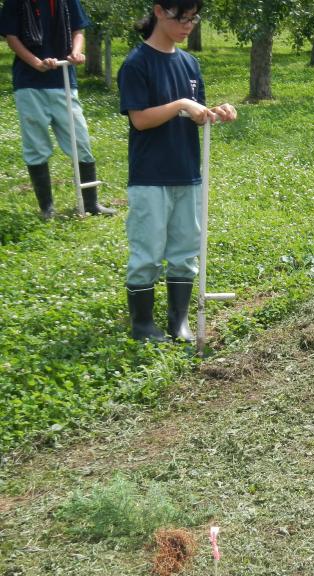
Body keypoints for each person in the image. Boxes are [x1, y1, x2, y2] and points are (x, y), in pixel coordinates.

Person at [117, 0, 236, 342]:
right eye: (181, 18)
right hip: (150, 177)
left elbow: (194, 115)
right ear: (158, 11)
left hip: (187, 172)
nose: (189, 25)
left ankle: (178, 321)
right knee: (148, 251)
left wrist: (213, 112)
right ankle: (142, 326)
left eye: (193, 18)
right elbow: (140, 119)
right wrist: (183, 104)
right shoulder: (137, 63)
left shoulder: (189, 63)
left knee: (185, 250)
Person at [0, 0, 115, 219]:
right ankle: (47, 208)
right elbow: (11, 37)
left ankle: (91, 204)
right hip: (29, 83)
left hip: (63, 81)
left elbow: (78, 29)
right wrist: (35, 62)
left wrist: (76, 53)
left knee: (80, 140)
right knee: (36, 144)